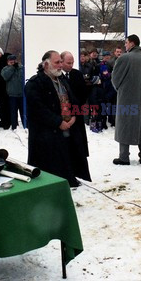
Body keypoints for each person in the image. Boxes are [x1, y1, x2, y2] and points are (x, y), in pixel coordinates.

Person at [25, 50, 91, 187]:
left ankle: (69, 178)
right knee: (51, 162)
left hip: (68, 127)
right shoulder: (34, 84)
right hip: (47, 133)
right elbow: (38, 110)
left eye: (61, 62)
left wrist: (73, 116)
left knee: (67, 155)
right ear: (46, 65)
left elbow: (73, 99)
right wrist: (58, 122)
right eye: (57, 62)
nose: (60, 65)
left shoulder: (62, 79)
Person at [111, 34, 141, 165]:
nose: (125, 45)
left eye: (126, 43)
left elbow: (115, 78)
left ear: (132, 43)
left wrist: (121, 90)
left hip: (127, 98)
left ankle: (124, 157)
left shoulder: (124, 58)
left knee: (124, 126)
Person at [1, 54, 25, 130]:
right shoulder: (5, 69)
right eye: (10, 62)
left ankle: (25, 126)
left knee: (23, 112)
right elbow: (5, 77)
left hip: (22, 94)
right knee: (13, 112)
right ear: (7, 62)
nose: (12, 63)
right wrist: (12, 68)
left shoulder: (21, 68)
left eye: (13, 61)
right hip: (12, 95)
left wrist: (18, 68)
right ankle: (14, 126)